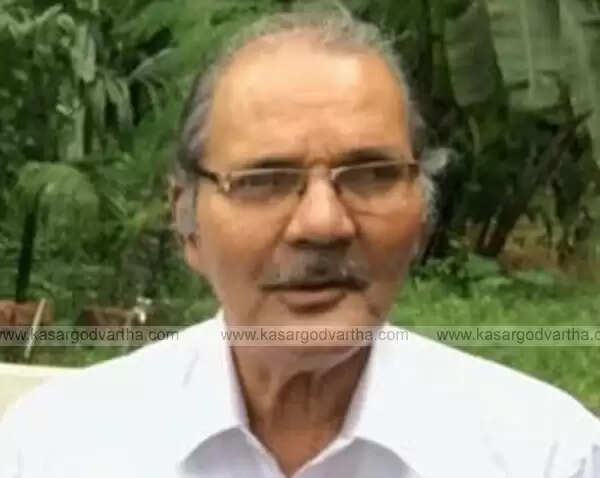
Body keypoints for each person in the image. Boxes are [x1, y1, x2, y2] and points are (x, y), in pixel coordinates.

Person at [1, 7, 599, 478]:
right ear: (186, 221)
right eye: (265, 180)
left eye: (370, 175)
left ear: (421, 214)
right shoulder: (57, 450)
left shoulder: (543, 454)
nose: (323, 223)